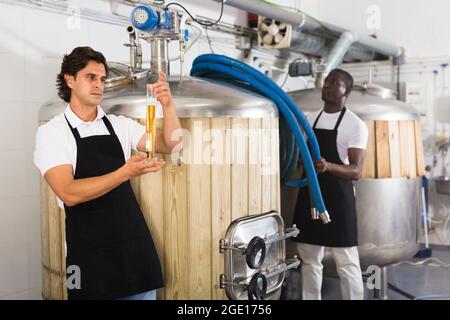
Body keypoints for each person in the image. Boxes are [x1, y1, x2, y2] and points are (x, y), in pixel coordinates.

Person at [34, 46, 182, 300]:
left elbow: (170, 144)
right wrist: (124, 172)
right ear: (70, 79)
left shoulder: (119, 125)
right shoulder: (53, 132)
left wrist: (167, 106)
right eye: (91, 77)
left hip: (134, 249)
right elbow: (68, 193)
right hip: (87, 257)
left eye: (102, 79)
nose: (99, 85)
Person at [292, 69, 368, 300]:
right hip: (310, 194)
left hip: (338, 199)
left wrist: (329, 167)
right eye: (327, 81)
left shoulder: (355, 125)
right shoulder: (311, 118)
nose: (328, 85)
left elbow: (356, 171)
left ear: (348, 91)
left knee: (347, 262)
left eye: (335, 83)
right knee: (310, 259)